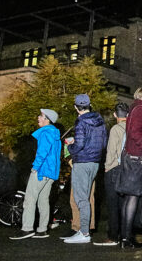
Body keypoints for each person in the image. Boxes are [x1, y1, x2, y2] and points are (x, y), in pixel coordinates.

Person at [10, 109, 62, 240]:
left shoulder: (45, 132)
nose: (38, 118)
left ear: (47, 119)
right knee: (43, 200)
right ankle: (42, 229)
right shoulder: (55, 133)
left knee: (30, 199)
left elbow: (42, 152)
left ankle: (27, 229)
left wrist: (35, 167)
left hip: (42, 171)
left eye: (41, 116)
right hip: (51, 173)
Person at [64, 94, 107, 245]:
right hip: (95, 163)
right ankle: (83, 230)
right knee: (87, 197)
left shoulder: (81, 122)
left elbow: (79, 144)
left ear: (76, 107)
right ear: (89, 105)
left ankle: (84, 233)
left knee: (81, 199)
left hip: (82, 162)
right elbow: (103, 143)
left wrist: (70, 147)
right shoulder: (100, 121)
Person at [117, 86, 142, 249]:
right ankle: (127, 238)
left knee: (129, 198)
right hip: (136, 159)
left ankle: (125, 236)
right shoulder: (140, 109)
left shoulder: (136, 108)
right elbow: (134, 132)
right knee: (133, 197)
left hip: (132, 158)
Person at [94, 102, 128, 247]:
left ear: (115, 115)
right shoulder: (132, 127)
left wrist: (107, 167)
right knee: (124, 204)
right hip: (128, 170)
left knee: (113, 205)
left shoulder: (116, 129)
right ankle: (125, 235)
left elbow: (111, 151)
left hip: (114, 169)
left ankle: (113, 236)